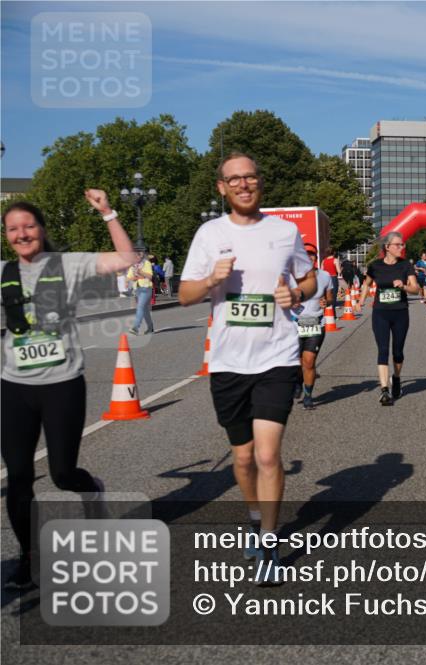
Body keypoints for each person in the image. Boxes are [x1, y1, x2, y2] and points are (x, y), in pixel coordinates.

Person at [178, 152, 316, 586]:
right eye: (233, 179)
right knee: (242, 459)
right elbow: (184, 295)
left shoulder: (284, 231)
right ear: (221, 187)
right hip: (227, 361)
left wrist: (295, 294)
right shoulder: (209, 233)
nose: (243, 185)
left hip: (276, 356)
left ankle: (270, 543)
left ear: (259, 183)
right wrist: (210, 282)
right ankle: (255, 517)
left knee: (268, 454)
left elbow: (309, 278)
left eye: (250, 177)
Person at [1, 191, 137, 590]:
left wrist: (108, 213)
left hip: (62, 384)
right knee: (20, 474)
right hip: (14, 387)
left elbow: (127, 260)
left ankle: (91, 489)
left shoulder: (70, 265)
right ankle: (29, 558)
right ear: (7, 236)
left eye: (29, 225)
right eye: (13, 229)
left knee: (61, 473)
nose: (22, 234)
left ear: (41, 228)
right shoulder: (5, 271)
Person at [358, 232, 419, 405]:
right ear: (387, 247)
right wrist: (361, 300)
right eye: (398, 245)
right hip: (381, 313)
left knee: (397, 351)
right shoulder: (375, 265)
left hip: (400, 313)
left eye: (402, 245)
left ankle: (397, 378)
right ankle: (384, 390)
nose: (402, 248)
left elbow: (416, 289)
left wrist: (404, 286)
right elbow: (367, 283)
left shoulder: (405, 265)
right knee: (383, 350)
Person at [293, 246, 334, 410]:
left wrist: (327, 302)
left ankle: (308, 396)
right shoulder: (292, 276)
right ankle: (297, 380)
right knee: (296, 363)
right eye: (306, 255)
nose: (309, 258)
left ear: (316, 258)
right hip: (293, 324)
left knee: (308, 361)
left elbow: (330, 297)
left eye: (312, 256)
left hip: (315, 323)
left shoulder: (324, 276)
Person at [126, 250, 155, 335]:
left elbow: (150, 276)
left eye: (135, 257)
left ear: (139, 256)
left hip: (146, 288)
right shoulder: (133, 266)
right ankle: (150, 327)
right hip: (137, 288)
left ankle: (135, 327)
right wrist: (134, 278)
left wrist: (140, 272)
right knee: (144, 309)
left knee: (140, 306)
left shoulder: (146, 263)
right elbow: (129, 277)